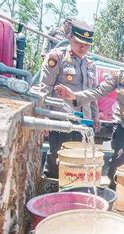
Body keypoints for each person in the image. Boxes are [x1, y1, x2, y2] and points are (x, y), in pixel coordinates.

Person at [55, 48, 124, 189]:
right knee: (119, 156)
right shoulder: (119, 76)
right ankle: (113, 186)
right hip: (122, 123)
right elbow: (99, 91)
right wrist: (75, 96)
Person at [38, 20, 99, 179]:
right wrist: (44, 116)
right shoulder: (57, 57)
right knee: (56, 158)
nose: (83, 47)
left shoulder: (91, 65)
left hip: (83, 122)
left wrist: (95, 117)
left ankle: (70, 194)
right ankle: (50, 189)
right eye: (79, 43)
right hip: (61, 119)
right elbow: (45, 87)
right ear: (70, 37)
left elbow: (92, 95)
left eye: (87, 45)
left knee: (78, 161)